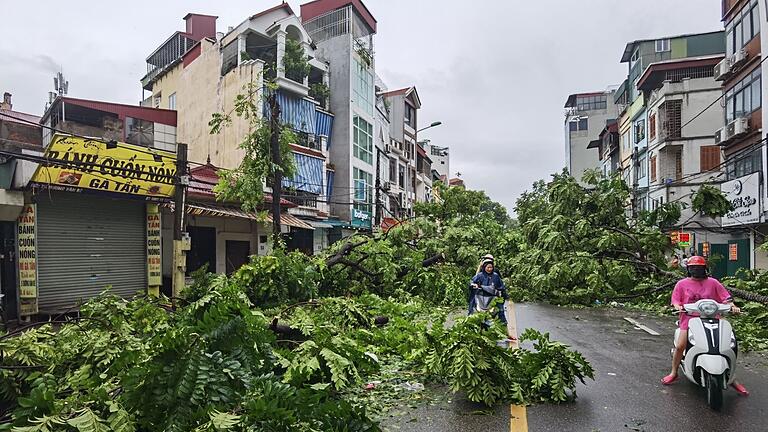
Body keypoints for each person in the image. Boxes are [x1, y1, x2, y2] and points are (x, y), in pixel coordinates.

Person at [661, 256, 748, 396]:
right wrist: (678, 307)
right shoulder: (681, 284)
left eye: (699, 267)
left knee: (729, 346)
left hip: (713, 319)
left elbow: (726, 298)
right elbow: (676, 301)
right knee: (680, 346)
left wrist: (733, 306)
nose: (696, 270)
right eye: (693, 267)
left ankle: (732, 379)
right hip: (689, 320)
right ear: (689, 269)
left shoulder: (713, 283)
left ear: (705, 269)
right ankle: (674, 372)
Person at [469, 259, 508, 325]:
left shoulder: (496, 276)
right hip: (481, 298)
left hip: (493, 298)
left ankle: (504, 325)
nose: (490, 269)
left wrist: (500, 291)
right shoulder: (480, 275)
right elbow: (472, 282)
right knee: (473, 308)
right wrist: (474, 285)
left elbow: (501, 286)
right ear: (484, 267)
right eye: (488, 267)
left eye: (491, 267)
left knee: (500, 310)